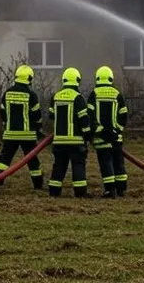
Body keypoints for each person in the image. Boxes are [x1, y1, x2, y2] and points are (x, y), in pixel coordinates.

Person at [0, 64, 44, 189]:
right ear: (29, 78)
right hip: (27, 135)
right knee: (32, 160)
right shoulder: (31, 95)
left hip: (10, 134)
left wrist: (6, 125)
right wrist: (38, 129)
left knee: (5, 158)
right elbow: (37, 115)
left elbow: (2, 112)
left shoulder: (7, 93)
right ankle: (38, 184)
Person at [48, 66, 92, 198]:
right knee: (78, 166)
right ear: (77, 80)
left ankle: (54, 191)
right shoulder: (78, 98)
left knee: (58, 167)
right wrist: (88, 135)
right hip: (76, 141)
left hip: (59, 141)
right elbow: (84, 119)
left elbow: (51, 116)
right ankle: (80, 192)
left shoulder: (56, 96)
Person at [88, 65, 129, 198]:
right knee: (119, 163)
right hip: (116, 138)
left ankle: (110, 190)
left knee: (106, 164)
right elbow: (124, 114)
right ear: (111, 78)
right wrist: (116, 130)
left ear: (98, 78)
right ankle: (121, 190)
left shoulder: (94, 94)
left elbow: (90, 115)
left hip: (101, 139)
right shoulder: (117, 94)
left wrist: (99, 131)